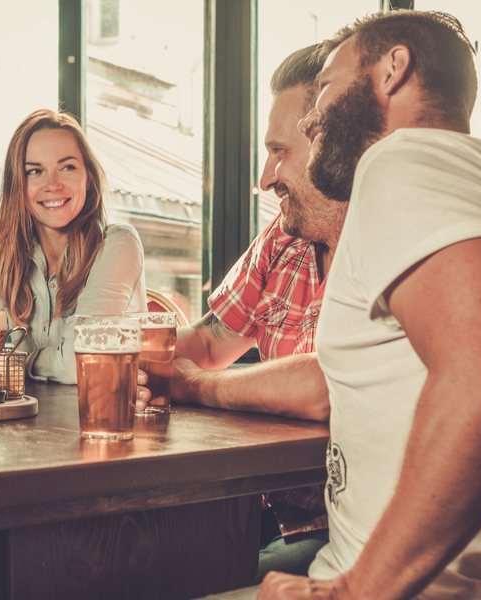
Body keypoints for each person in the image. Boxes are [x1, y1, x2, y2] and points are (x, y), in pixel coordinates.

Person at [258, 9, 481, 600]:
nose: (312, 117)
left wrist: (354, 592)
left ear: (393, 69)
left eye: (324, 88)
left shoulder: (405, 158)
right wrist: (199, 384)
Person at [134, 45, 344, 582]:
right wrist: (132, 355)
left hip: (341, 526)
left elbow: (329, 383)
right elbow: (209, 341)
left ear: (331, 143)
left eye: (279, 151)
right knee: (129, 559)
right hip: (265, 507)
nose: (264, 177)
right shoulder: (286, 231)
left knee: (174, 578)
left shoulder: (388, 239)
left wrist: (199, 386)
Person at [0, 109, 146, 384]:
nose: (52, 184)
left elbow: (80, 362)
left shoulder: (118, 244)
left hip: (98, 422)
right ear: (19, 185)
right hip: (18, 426)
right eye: (35, 171)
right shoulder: (6, 259)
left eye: (67, 167)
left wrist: (18, 362)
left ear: (88, 178)